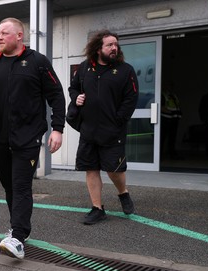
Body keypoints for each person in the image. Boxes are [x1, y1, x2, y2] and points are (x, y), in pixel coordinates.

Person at [0, 18, 65, 259]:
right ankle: (21, 228)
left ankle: (17, 238)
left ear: (20, 36)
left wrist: (57, 128)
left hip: (27, 138)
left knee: (21, 186)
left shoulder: (37, 62)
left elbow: (56, 96)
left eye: (5, 33)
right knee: (9, 186)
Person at [68, 30, 139, 225]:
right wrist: (76, 97)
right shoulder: (84, 69)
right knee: (91, 168)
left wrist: (118, 119)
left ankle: (123, 193)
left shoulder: (126, 70)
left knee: (114, 170)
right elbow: (73, 88)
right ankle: (97, 208)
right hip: (88, 130)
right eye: (110, 45)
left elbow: (131, 98)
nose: (114, 48)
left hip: (112, 130)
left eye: (116, 44)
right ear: (98, 48)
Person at [160, 81, 182, 159]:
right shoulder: (163, 95)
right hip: (166, 119)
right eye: (169, 85)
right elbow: (162, 108)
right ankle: (160, 156)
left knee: (172, 138)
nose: (171, 87)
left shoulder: (174, 95)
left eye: (172, 86)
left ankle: (172, 154)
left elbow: (177, 105)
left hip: (174, 119)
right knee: (162, 138)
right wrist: (172, 112)